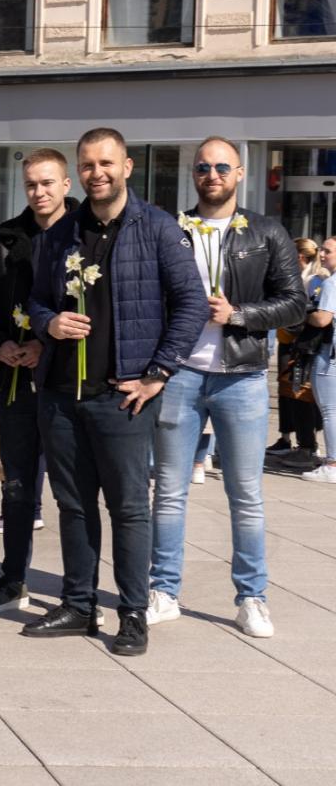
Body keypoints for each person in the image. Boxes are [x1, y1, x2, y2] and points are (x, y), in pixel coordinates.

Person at [23, 127, 206, 656]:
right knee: (73, 505)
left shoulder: (156, 228)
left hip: (122, 396)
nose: (96, 174)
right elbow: (36, 302)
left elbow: (191, 304)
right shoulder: (60, 233)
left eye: (106, 164)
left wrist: (159, 372)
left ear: (127, 167)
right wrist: (50, 323)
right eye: (87, 165)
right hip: (60, 392)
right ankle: (78, 605)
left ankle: (132, 613)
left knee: (128, 508)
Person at [148, 137, 305, 638]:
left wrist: (238, 314)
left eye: (221, 167)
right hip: (181, 374)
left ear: (239, 173)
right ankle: (164, 590)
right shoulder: (172, 230)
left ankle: (252, 597)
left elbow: (294, 304)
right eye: (202, 167)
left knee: (246, 494)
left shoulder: (266, 231)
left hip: (242, 376)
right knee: (169, 492)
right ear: (193, 175)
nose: (211, 174)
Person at [0, 149, 74, 615]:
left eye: (48, 183)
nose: (39, 192)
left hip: (70, 380)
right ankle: (13, 578)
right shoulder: (8, 238)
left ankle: (78, 591)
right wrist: (0, 345)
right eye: (31, 184)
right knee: (16, 486)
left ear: (66, 185)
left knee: (72, 489)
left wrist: (47, 347)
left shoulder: (85, 235)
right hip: (16, 380)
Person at [270, 237, 326, 459]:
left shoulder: (315, 281)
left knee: (301, 394)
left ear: (299, 257)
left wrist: (294, 314)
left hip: (304, 345)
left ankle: (307, 445)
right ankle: (293, 440)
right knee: (290, 393)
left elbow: (318, 316)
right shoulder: (302, 278)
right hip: (293, 342)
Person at [304, 238, 336, 483]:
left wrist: (306, 314)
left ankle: (332, 463)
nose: (321, 254)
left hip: (330, 355)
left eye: (327, 251)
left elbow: (323, 319)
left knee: (330, 411)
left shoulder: (331, 283)